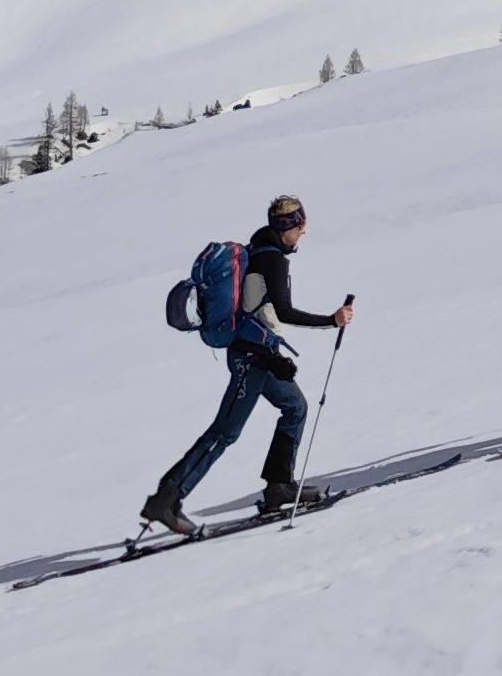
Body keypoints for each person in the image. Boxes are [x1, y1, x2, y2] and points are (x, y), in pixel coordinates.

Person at [140, 196, 354, 535]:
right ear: (289, 227)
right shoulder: (273, 260)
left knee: (294, 406)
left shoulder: (258, 249)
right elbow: (282, 312)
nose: (303, 234)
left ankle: (279, 486)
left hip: (258, 354)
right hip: (250, 358)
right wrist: (332, 320)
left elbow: (259, 312)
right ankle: (167, 498)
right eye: (300, 228)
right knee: (225, 432)